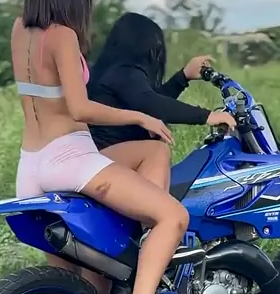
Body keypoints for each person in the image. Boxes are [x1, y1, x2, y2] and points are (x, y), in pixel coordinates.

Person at [11, 0, 196, 294]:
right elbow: (80, 108)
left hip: (30, 165)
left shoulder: (20, 29)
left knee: (65, 275)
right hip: (68, 157)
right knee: (174, 216)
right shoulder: (63, 35)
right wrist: (139, 115)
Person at [87, 12, 235, 191]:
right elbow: (150, 103)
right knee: (158, 150)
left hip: (108, 154)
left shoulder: (111, 71)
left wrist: (183, 77)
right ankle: (155, 209)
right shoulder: (123, 72)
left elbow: (149, 99)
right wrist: (208, 116)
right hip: (108, 156)